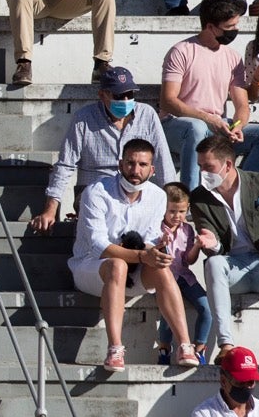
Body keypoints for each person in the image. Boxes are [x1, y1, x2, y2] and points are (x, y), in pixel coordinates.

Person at [68, 139, 199, 370]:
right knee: (116, 264)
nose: (135, 170)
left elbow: (149, 241)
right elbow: (100, 246)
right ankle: (115, 348)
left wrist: (156, 253)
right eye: (130, 163)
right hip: (89, 268)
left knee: (162, 268)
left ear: (152, 169)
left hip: (133, 273)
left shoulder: (158, 196)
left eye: (142, 164)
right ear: (120, 164)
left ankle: (184, 345)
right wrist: (141, 256)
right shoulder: (96, 192)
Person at [30, 66, 175, 234]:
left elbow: (163, 161)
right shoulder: (83, 118)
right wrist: (50, 210)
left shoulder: (148, 115)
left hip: (136, 189)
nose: (126, 99)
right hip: (96, 191)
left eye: (131, 94)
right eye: (119, 95)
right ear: (102, 95)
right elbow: (66, 164)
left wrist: (172, 205)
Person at [161, 0, 259, 189]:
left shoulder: (232, 57)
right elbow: (168, 102)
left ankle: (241, 190)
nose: (235, 31)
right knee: (196, 128)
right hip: (179, 125)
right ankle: (191, 196)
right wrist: (208, 118)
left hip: (217, 126)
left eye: (236, 25)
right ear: (210, 27)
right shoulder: (181, 51)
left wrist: (238, 126)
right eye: (229, 28)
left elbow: (242, 104)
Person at [190, 132, 259, 354]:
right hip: (232, 267)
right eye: (200, 166)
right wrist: (211, 242)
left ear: (227, 164)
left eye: (208, 166)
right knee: (214, 263)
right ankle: (226, 345)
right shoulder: (199, 197)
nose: (202, 172)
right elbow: (212, 238)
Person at [156, 183, 213, 365]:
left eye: (181, 211)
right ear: (163, 209)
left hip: (184, 277)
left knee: (206, 309)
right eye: (172, 211)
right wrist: (161, 243)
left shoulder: (187, 229)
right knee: (168, 313)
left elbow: (188, 260)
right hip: (165, 279)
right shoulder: (155, 227)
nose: (177, 216)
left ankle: (199, 349)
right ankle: (165, 348)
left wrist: (196, 245)